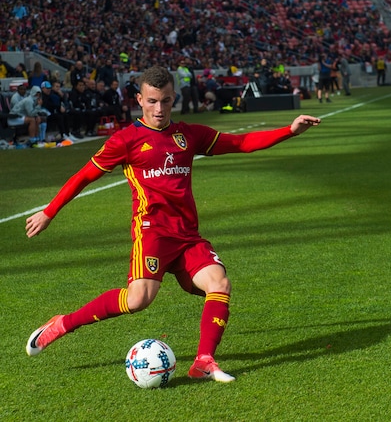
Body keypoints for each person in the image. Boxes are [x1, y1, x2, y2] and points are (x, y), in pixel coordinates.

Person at [24, 66, 321, 383]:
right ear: (140, 99)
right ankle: (63, 323)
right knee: (138, 300)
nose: (159, 109)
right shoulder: (126, 140)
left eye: (166, 101)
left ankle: (204, 361)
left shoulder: (188, 135)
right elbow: (84, 176)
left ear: (173, 98)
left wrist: (289, 130)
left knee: (219, 284)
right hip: (152, 233)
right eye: (152, 101)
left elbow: (242, 143)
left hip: (188, 236)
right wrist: (49, 211)